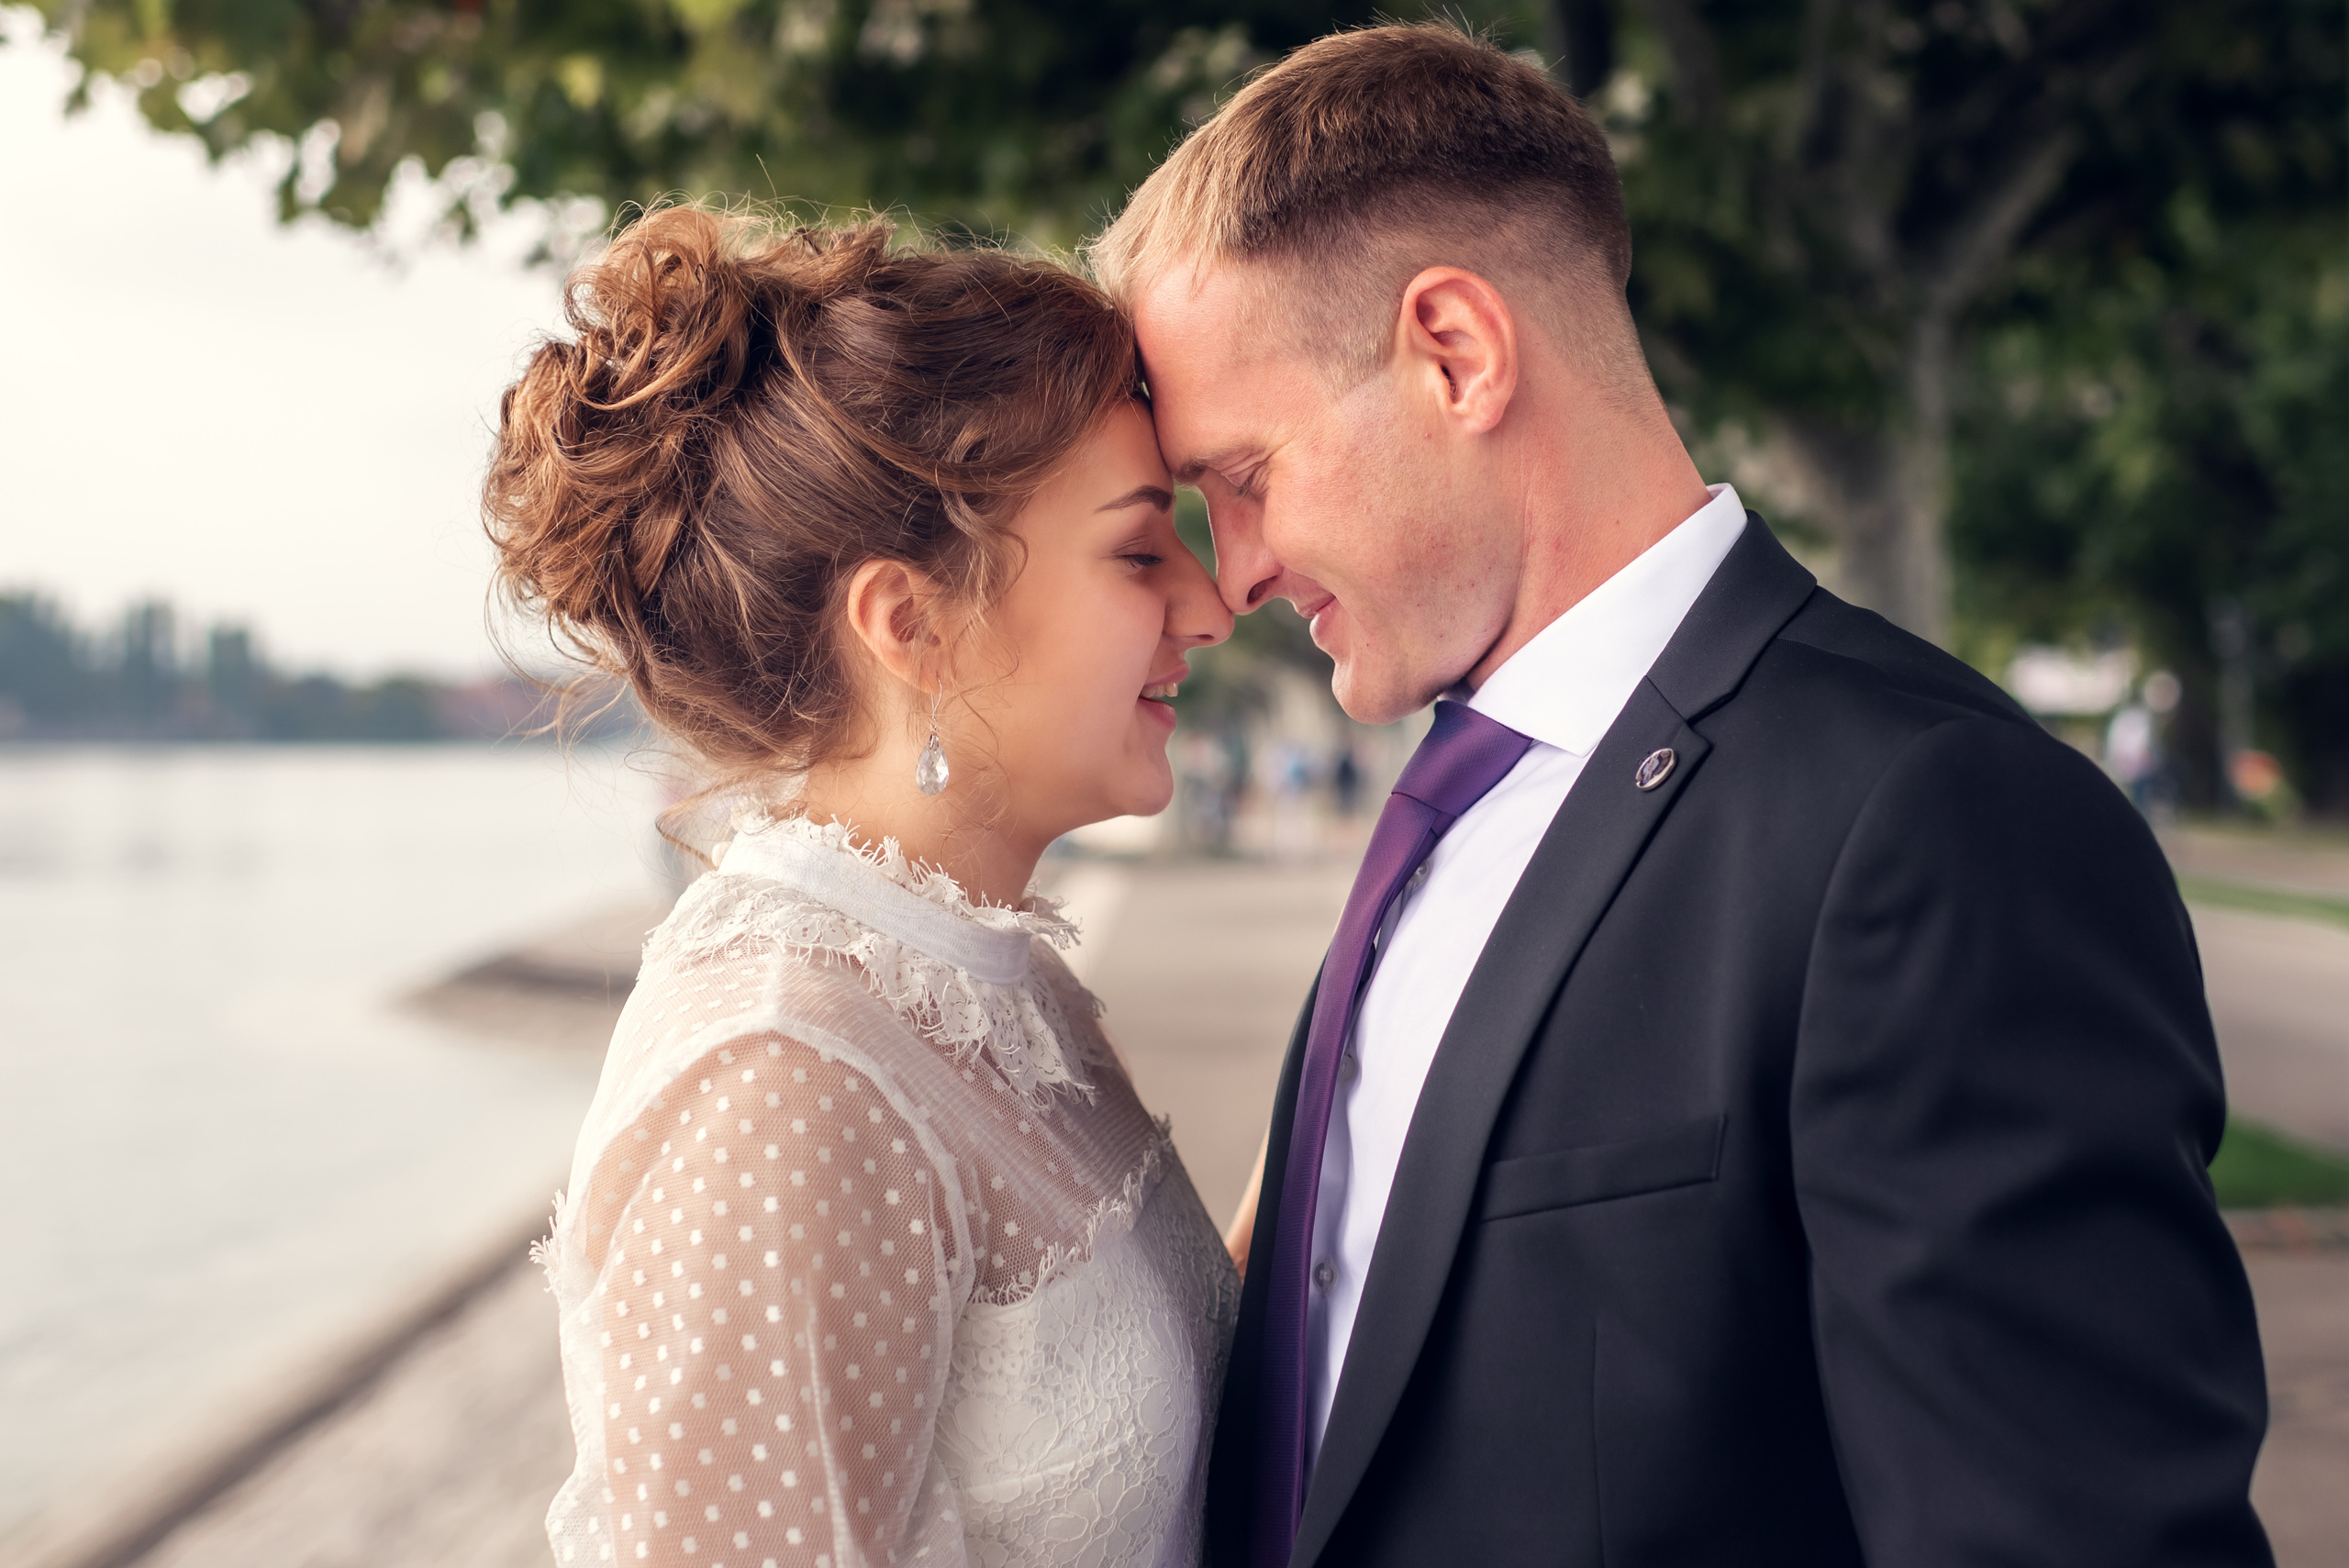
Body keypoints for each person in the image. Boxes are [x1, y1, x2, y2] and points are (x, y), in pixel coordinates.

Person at [1091, 22, 2272, 1568]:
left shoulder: (1934, 828)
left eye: (1244, 477)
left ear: (1456, 352)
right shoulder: (1442, 812)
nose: (1232, 569)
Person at [487, 206, 1241, 1568]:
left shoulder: (987, 982)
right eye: (1140, 550)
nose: (1210, 603)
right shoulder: (782, 1070)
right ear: (913, 624)